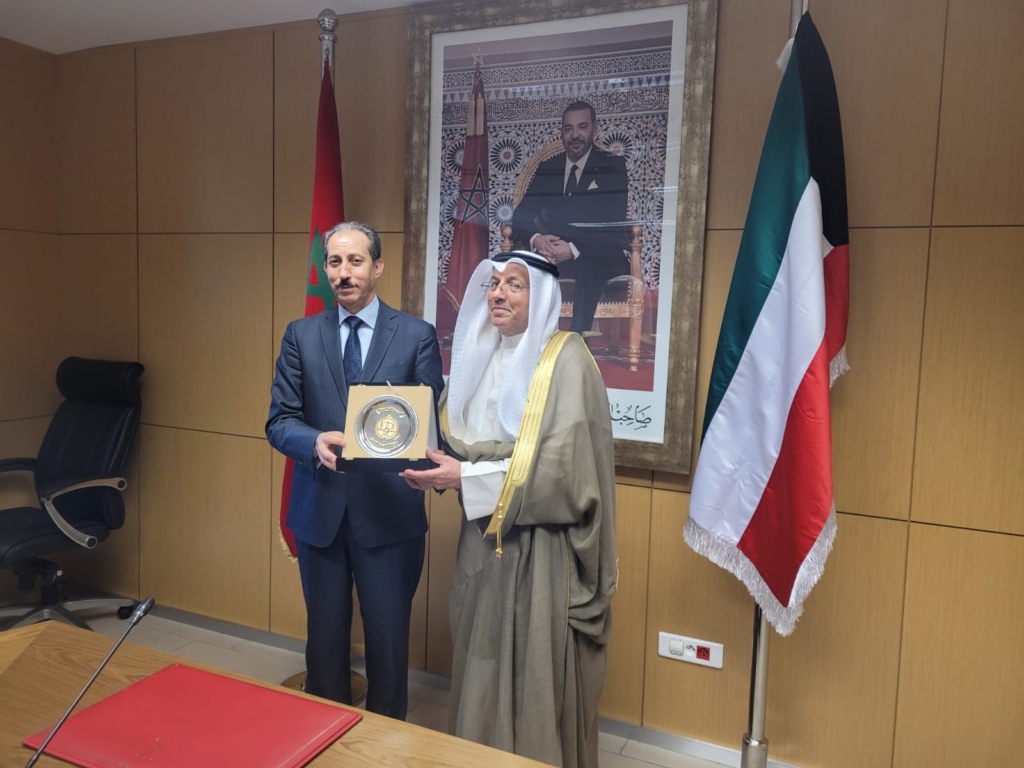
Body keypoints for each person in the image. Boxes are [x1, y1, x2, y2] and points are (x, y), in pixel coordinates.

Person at [400, 251, 617, 768]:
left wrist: (463, 477)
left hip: (542, 550)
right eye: (494, 283)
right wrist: (433, 464)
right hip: (481, 540)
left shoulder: (567, 361)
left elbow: (562, 471)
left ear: (541, 297)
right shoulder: (480, 354)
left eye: (514, 285)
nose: (498, 293)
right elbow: (461, 443)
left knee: (532, 667)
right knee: (480, 658)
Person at [266, 221, 444, 719]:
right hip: (320, 512)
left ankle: (386, 743)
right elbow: (279, 421)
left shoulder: (416, 336)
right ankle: (327, 736)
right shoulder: (301, 335)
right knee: (324, 645)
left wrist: (431, 463)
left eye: (355, 261)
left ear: (377, 267)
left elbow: (427, 422)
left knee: (388, 644)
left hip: (389, 516)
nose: (343, 273)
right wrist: (313, 441)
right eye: (334, 262)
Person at [510, 100, 630, 336]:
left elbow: (612, 225)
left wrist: (573, 248)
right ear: (562, 132)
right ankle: (531, 343)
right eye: (568, 128)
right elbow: (521, 215)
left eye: (582, 127)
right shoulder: (549, 168)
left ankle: (577, 341)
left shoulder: (613, 166)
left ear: (595, 128)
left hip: (601, 256)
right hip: (556, 257)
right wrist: (538, 240)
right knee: (527, 265)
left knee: (589, 263)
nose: (575, 135)